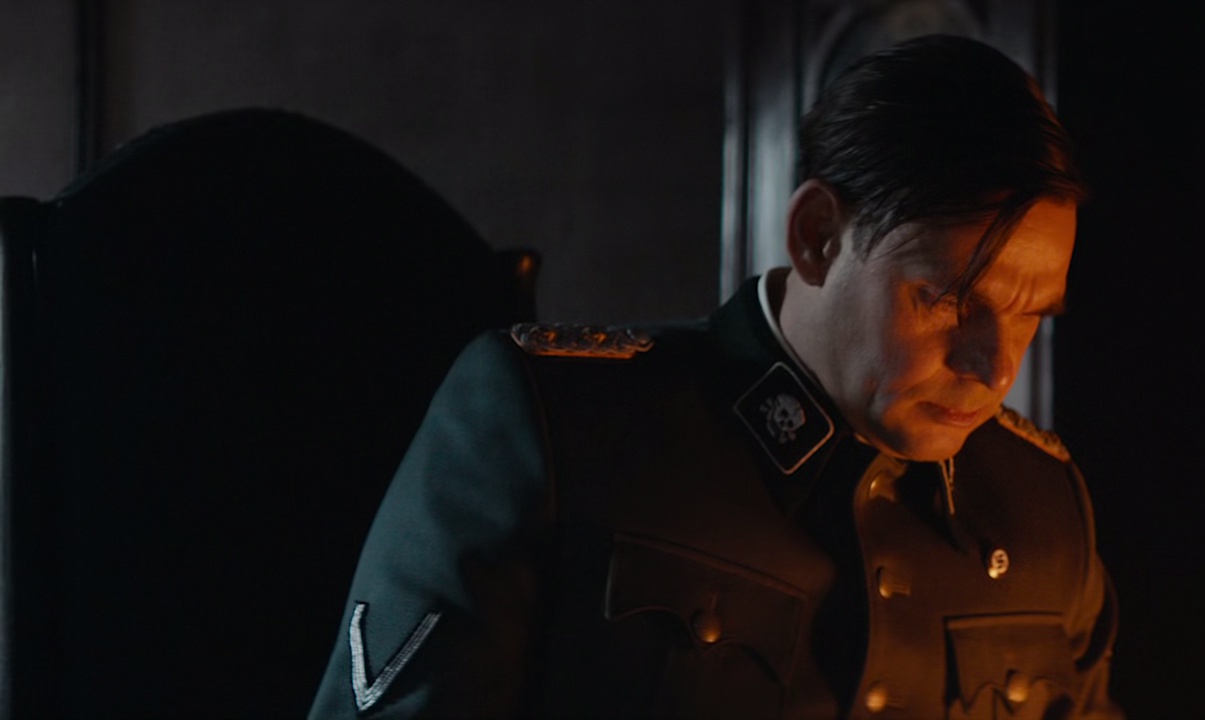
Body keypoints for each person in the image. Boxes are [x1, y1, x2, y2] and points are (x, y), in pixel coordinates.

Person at [310, 34, 1119, 719]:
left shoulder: (1044, 509)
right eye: (948, 300)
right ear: (817, 237)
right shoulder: (559, 426)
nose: (995, 367)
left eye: (1031, 314)